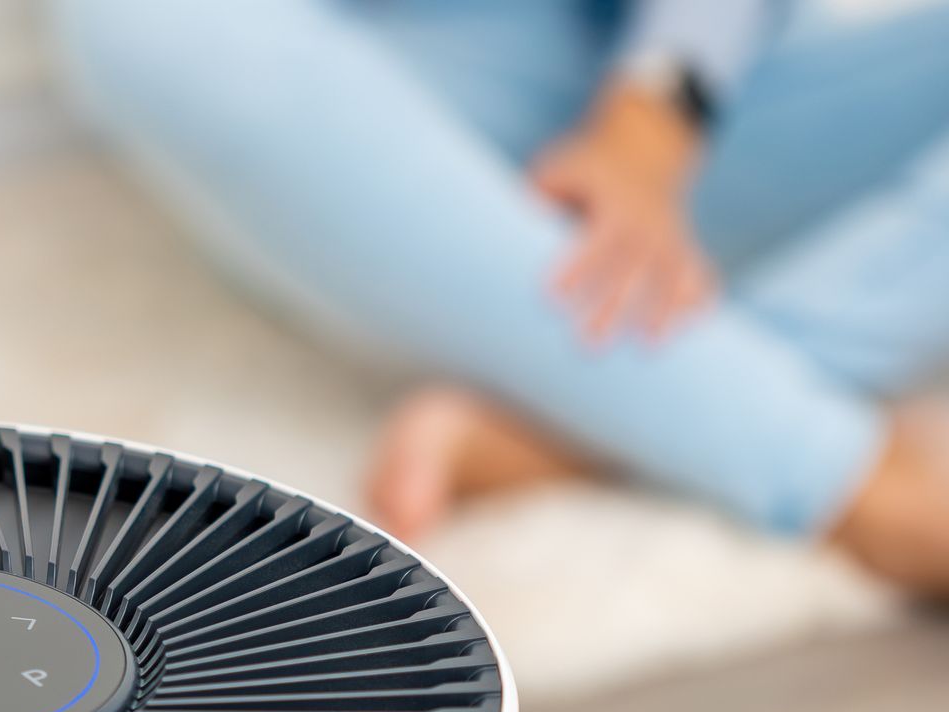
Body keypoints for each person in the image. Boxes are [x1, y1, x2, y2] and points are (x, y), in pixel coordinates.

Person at [53, 0, 949, 596]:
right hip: (343, 106)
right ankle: (850, 478)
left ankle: (596, 433)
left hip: (665, 89)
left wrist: (652, 121)